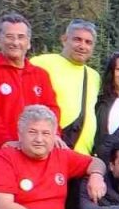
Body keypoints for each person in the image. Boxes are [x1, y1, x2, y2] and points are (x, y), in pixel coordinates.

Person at [0, 12, 59, 158]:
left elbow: (52, 109)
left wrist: (54, 135)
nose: (15, 42)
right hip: (2, 152)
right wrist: (6, 142)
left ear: (28, 43)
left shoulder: (40, 74)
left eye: (21, 37)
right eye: (9, 37)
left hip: (38, 153)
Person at [33, 19, 99, 154]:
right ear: (64, 39)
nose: (82, 46)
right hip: (49, 149)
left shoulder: (94, 76)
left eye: (88, 42)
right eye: (77, 39)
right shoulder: (41, 63)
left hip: (83, 156)